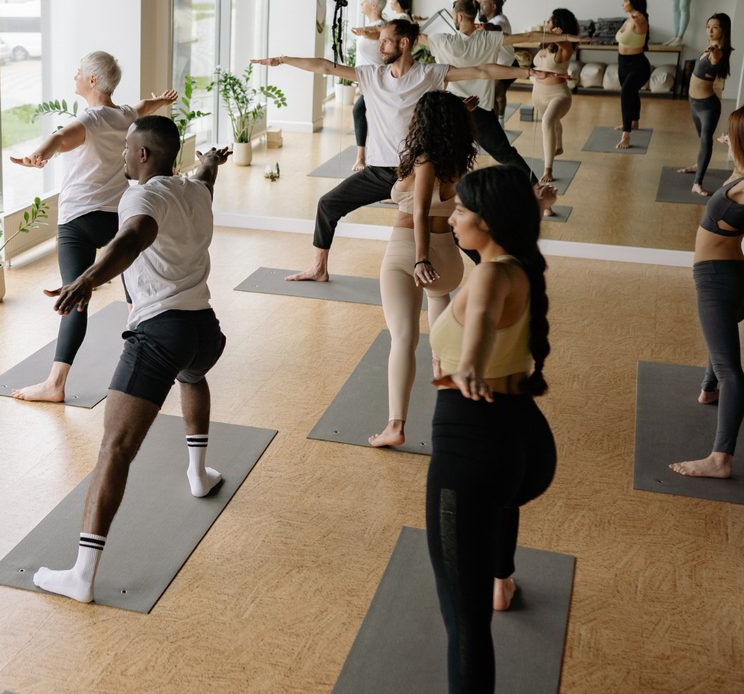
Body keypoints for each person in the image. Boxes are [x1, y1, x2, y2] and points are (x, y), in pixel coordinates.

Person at [31, 116, 230, 603]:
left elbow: (131, 238)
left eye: (127, 148)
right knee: (193, 375)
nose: (121, 155)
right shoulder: (195, 191)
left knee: (114, 450)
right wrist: (209, 161)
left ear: (144, 155)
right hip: (204, 331)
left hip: (160, 332)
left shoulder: (141, 197)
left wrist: (87, 280)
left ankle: (81, 575)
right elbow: (203, 176)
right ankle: (198, 474)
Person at [251, 19, 560, 282]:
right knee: (328, 205)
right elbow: (326, 67)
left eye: (385, 41)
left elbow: (481, 71)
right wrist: (282, 59)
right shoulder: (371, 76)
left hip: (419, 171)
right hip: (379, 171)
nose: (380, 46)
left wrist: (529, 73)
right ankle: (319, 268)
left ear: (405, 43)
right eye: (380, 41)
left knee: (456, 227)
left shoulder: (429, 74)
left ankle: (503, 272)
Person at [429, 164, 557, 694]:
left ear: (488, 222)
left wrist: (470, 365)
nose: (452, 218)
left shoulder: (486, 274)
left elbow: (479, 316)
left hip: (472, 448)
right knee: (497, 509)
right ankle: (502, 581)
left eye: (460, 211)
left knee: (465, 626)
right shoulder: (517, 260)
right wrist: (537, 206)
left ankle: (494, 589)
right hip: (524, 444)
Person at [7, 51, 178, 403]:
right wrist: (162, 100)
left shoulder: (91, 118)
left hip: (79, 222)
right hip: (116, 217)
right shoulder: (124, 114)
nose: (75, 76)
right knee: (135, 295)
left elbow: (60, 136)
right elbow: (143, 105)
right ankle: (149, 362)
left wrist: (39, 154)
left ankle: (55, 384)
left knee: (76, 298)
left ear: (93, 81)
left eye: (79, 72)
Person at [370, 91, 475, 448]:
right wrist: (461, 111)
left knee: (403, 337)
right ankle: (451, 413)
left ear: (422, 122)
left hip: (410, 255)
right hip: (449, 261)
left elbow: (418, 211)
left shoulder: (425, 160)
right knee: (440, 342)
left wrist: (419, 258)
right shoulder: (456, 160)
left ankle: (395, 426)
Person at [409, 0, 592, 184]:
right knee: (507, 155)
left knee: (438, 154)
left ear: (460, 16)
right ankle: (539, 195)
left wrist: (408, 20)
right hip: (481, 111)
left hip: (452, 111)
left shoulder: (443, 40)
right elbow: (528, 37)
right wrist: (567, 37)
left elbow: (416, 36)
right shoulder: (490, 38)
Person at [671, 108, 744, 480]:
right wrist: (734, 140)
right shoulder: (742, 175)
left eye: (732, 135)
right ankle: (708, 389)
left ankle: (720, 459)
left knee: (732, 369)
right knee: (722, 337)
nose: (726, 140)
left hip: (717, 279)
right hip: (732, 272)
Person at [677, 14, 733, 196]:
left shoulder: (717, 51)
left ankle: (697, 183)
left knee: (705, 140)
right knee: (702, 139)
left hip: (708, 107)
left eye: (715, 27)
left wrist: (714, 51)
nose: (709, 30)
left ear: (723, 30)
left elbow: (717, 55)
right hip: (694, 104)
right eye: (708, 26)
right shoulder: (713, 47)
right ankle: (699, 166)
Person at [532, 9, 580, 188]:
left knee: (547, 122)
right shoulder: (546, 44)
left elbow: (565, 45)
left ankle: (548, 169)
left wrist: (559, 37)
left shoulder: (566, 47)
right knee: (553, 121)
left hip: (559, 95)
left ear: (558, 24)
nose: (547, 22)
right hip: (539, 94)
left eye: (551, 20)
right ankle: (559, 146)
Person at [352, 0, 388, 173]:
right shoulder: (374, 25)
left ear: (374, 5)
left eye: (364, 0)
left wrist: (365, 33)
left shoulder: (380, 26)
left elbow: (375, 35)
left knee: (359, 110)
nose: (360, 3)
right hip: (369, 82)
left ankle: (364, 158)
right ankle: (364, 157)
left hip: (378, 82)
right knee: (360, 111)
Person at [614, 0, 650, 149]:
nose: (622, 3)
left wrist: (640, 19)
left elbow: (642, 22)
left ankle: (626, 135)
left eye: (625, 1)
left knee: (625, 93)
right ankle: (634, 122)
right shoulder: (628, 18)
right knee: (631, 93)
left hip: (638, 66)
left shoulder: (640, 20)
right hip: (623, 64)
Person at [478, 0, 515, 125]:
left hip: (507, 64)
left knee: (493, 94)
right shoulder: (490, 20)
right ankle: (500, 122)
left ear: (493, 7)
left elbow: (495, 27)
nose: (481, 6)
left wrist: (486, 28)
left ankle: (497, 124)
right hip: (499, 64)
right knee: (498, 94)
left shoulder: (501, 20)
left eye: (484, 4)